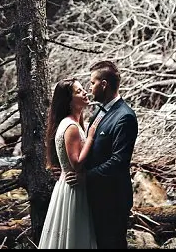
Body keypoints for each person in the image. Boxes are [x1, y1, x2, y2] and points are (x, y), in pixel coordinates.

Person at [38, 78, 101, 249]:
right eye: (79, 91)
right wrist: (90, 137)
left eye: (83, 89)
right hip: (73, 188)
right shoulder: (71, 126)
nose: (85, 92)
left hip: (67, 185)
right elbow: (76, 164)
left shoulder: (70, 123)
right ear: (69, 100)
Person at [82, 60, 138, 249]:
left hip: (113, 200)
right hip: (95, 197)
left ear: (103, 84)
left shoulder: (125, 117)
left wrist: (84, 177)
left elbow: (119, 161)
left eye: (92, 83)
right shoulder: (99, 111)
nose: (90, 88)